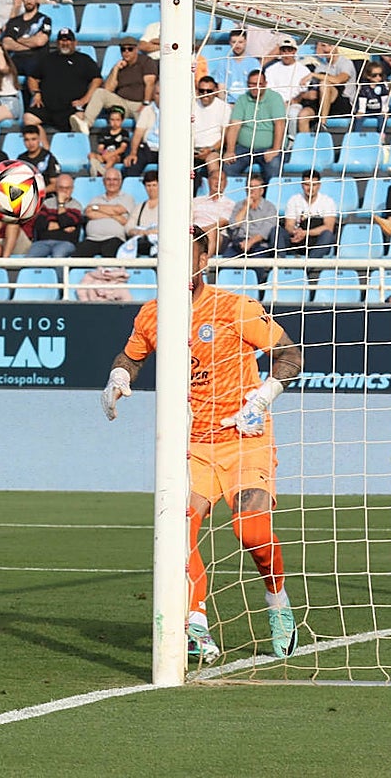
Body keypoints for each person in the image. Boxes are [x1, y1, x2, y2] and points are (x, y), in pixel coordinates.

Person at [102, 227, 302, 663]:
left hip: (245, 436)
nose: (176, 264)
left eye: (186, 256)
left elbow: (290, 355)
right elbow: (132, 356)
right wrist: (119, 377)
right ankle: (195, 623)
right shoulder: (152, 314)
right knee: (179, 531)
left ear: (203, 262)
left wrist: (263, 396)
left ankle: (277, 603)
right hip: (193, 444)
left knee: (251, 533)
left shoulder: (234, 307)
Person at [23, 27, 101, 134]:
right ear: (57, 42)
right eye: (62, 40)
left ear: (75, 42)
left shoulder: (84, 60)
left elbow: (97, 80)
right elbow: (32, 78)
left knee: (80, 121)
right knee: (28, 118)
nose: (65, 43)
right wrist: (36, 93)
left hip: (71, 108)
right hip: (47, 107)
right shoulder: (47, 59)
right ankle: (44, 148)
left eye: (68, 40)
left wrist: (85, 99)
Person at [73, 35, 156, 134]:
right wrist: (116, 69)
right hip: (122, 102)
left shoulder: (146, 61)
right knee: (100, 92)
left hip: (139, 103)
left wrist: (145, 103)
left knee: (145, 130)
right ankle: (86, 124)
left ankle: (149, 145)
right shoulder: (120, 66)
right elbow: (108, 89)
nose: (126, 52)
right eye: (123, 49)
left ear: (136, 49)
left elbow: (150, 83)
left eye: (130, 49)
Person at [222, 70, 286, 183]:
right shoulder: (242, 99)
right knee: (228, 166)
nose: (255, 87)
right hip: (244, 148)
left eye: (259, 84)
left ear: (265, 84)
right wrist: (230, 150)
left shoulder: (275, 98)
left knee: (274, 166)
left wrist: (275, 149)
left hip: (268, 148)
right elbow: (234, 126)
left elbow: (279, 124)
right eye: (251, 84)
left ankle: (267, 197)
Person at [73, 167, 135, 258]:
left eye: (115, 180)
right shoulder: (96, 199)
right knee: (77, 256)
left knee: (109, 253)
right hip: (92, 239)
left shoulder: (127, 198)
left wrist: (97, 208)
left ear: (120, 182)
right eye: (108, 179)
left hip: (114, 238)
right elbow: (89, 212)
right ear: (103, 182)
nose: (111, 183)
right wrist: (115, 216)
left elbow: (118, 209)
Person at [278, 169, 337, 257]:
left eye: (314, 185)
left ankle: (308, 265)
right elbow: (289, 225)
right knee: (277, 231)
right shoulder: (294, 200)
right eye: (307, 184)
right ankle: (280, 264)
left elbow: (329, 227)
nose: (310, 188)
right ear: (302, 185)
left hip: (316, 240)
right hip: (297, 239)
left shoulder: (328, 201)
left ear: (319, 185)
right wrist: (296, 232)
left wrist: (305, 233)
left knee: (328, 235)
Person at [0, 0, 51, 77]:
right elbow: (6, 44)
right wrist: (30, 44)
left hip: (36, 62)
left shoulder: (44, 19)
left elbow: (40, 41)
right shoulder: (14, 21)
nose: (29, 1)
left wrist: (18, 39)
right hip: (16, 60)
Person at [222, 175, 279, 258]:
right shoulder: (239, 205)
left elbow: (265, 231)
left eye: (255, 187)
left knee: (256, 262)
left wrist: (250, 242)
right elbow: (233, 225)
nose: (252, 190)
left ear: (261, 191)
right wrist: (245, 207)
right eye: (250, 187)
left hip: (259, 243)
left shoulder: (270, 208)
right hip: (239, 242)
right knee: (225, 262)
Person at [26, 173, 81, 258]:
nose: (64, 191)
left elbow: (64, 221)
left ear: (72, 189)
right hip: (43, 241)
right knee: (31, 256)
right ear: (56, 188)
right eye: (61, 188)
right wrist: (62, 226)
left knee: (58, 255)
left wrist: (61, 203)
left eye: (67, 188)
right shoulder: (47, 203)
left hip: (66, 242)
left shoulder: (76, 206)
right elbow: (39, 224)